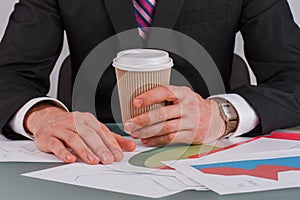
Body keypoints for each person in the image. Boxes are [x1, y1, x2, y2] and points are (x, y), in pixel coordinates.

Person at [0, 0, 299, 165]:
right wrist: (41, 117)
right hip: (90, 161)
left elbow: (294, 75)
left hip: (206, 157)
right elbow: (8, 74)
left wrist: (223, 115)